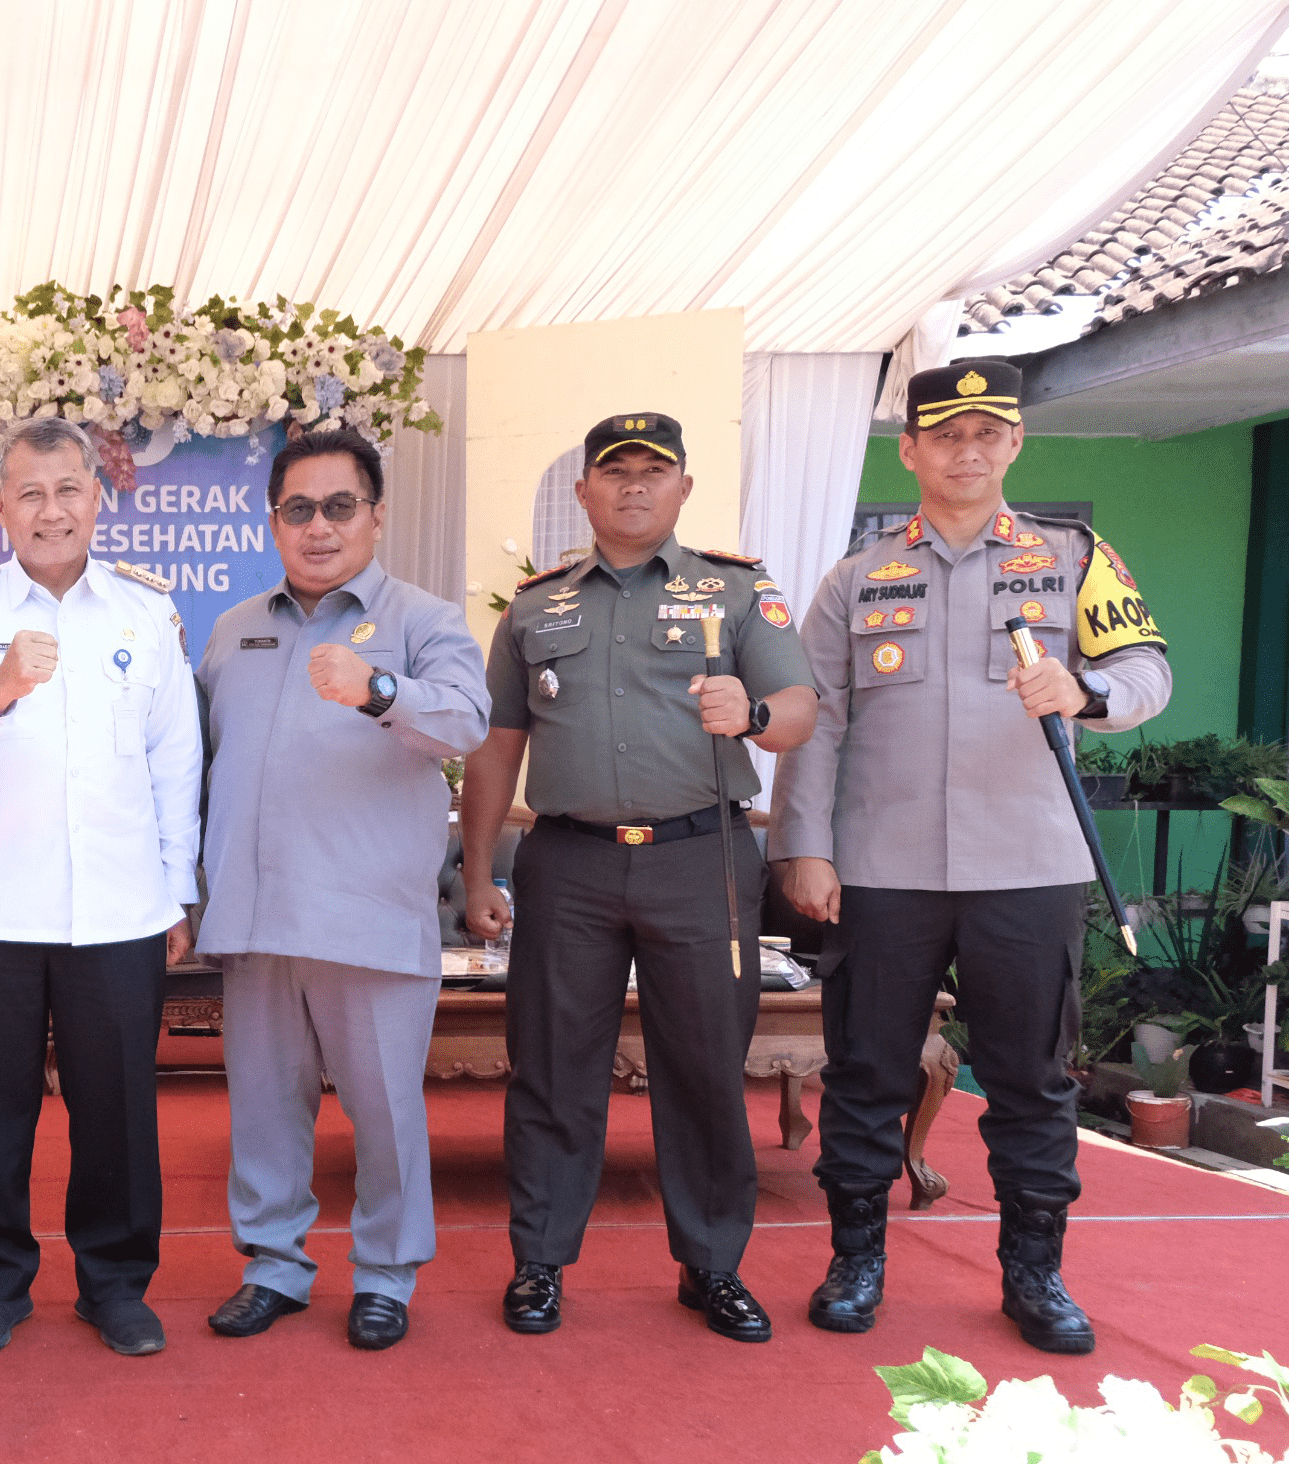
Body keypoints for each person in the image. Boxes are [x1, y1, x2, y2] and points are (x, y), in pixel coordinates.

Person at [769, 360, 1172, 1355]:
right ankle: (855, 1259)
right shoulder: (857, 576)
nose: (967, 450)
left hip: (1028, 864)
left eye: (987, 432)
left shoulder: (1072, 556)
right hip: (881, 866)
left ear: (1014, 444)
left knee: (1032, 1080)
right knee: (866, 1072)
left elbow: (1147, 668)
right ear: (908, 450)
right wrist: (804, 849)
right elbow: (813, 723)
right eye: (945, 434)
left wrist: (1084, 693)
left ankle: (1033, 1273)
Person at [460, 412, 818, 1343]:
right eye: (611, 471)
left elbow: (800, 715)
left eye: (651, 471)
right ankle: (539, 1261)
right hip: (570, 862)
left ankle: (713, 1265)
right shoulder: (536, 606)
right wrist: (473, 870)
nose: (630, 485)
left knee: (702, 1067)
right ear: (580, 492)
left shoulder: (736, 593)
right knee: (550, 1066)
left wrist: (752, 710)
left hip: (702, 859)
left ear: (683, 489)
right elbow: (497, 750)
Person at [0, 415, 203, 1359]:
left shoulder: (145, 614)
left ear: (97, 498)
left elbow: (175, 760)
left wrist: (177, 889)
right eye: (28, 492)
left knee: (116, 1108)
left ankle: (114, 1283)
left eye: (67, 489)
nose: (50, 510)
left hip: (118, 906)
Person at [196, 427, 491, 1351]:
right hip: (255, 916)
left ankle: (386, 1276)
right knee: (264, 1109)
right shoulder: (236, 624)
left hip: (365, 916)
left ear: (376, 515)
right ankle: (273, 1266)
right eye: (298, 509)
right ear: (274, 520)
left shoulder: (423, 619)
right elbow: (198, 762)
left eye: (339, 507)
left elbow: (467, 724)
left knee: (387, 1115)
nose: (318, 527)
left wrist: (379, 688)